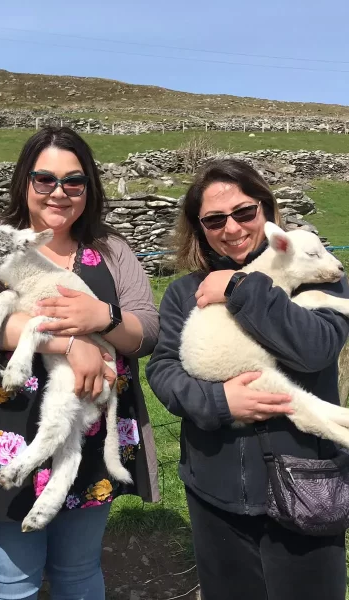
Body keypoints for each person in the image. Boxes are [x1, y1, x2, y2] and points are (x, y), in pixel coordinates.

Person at [0, 126, 160, 600]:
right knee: (13, 582)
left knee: (79, 572)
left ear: (89, 187)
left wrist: (102, 317)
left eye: (74, 181)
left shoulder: (110, 249)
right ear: (25, 180)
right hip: (1, 428)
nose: (59, 192)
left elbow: (146, 330)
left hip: (88, 418)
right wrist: (67, 343)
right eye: (45, 179)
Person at [146, 158, 349, 600]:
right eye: (215, 219)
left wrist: (240, 289)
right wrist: (220, 402)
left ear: (266, 210)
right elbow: (162, 369)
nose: (233, 228)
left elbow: (314, 349)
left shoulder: (321, 279)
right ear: (200, 228)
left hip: (306, 483)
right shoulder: (187, 292)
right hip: (214, 487)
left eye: (244, 212)